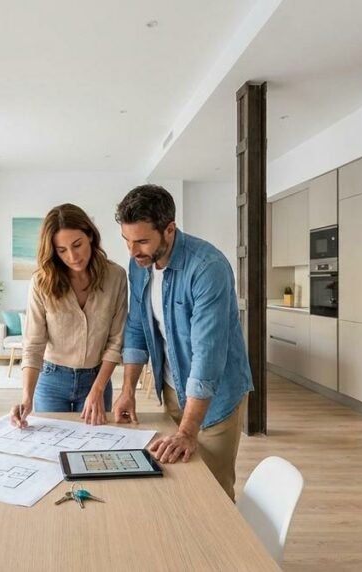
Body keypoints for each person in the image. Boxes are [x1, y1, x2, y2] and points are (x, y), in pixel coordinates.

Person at [112, 184, 253, 502]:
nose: (132, 252)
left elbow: (207, 356)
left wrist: (188, 431)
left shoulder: (208, 268)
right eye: (127, 241)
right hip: (173, 389)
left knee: (213, 492)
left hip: (215, 397)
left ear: (169, 229)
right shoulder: (140, 264)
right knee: (180, 485)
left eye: (142, 241)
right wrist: (127, 390)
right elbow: (137, 327)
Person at [9, 203, 128, 428]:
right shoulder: (41, 282)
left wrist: (98, 390)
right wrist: (26, 397)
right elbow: (33, 344)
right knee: (49, 445)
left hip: (97, 379)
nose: (72, 256)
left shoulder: (116, 276)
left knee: (95, 443)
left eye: (77, 245)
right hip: (51, 379)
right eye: (61, 250)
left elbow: (116, 341)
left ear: (90, 236)